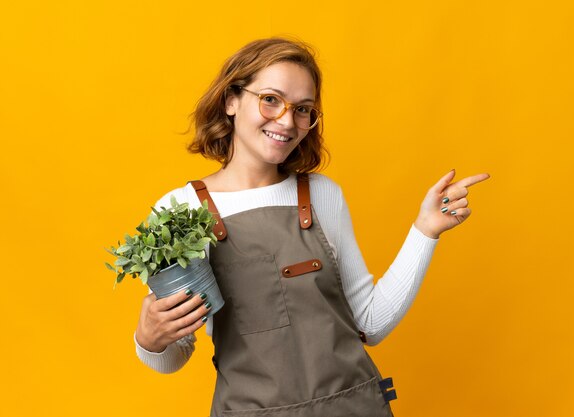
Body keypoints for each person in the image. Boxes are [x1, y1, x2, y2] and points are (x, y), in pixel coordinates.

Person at [133, 37, 490, 417]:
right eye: (271, 99)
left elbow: (369, 325)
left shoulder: (322, 195)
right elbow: (172, 356)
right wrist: (149, 340)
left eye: (303, 109)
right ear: (231, 100)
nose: (287, 121)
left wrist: (425, 230)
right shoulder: (180, 210)